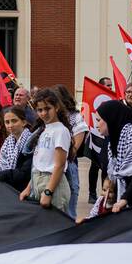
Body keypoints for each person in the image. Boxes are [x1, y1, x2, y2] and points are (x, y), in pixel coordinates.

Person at [19, 88, 71, 213]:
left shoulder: (61, 131)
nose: (43, 113)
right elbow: (39, 163)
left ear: (56, 107)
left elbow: (59, 165)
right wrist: (29, 187)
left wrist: (48, 191)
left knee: (57, 227)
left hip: (53, 184)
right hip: (37, 180)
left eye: (47, 109)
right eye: (40, 110)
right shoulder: (43, 130)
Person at [57, 85, 88, 218]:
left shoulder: (75, 118)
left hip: (68, 165)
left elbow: (74, 150)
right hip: (50, 166)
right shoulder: (51, 117)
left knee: (70, 197)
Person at [0, 105, 35, 188]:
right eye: (7, 122)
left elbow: (26, 172)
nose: (10, 125)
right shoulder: (7, 143)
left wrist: (3, 175)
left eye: (14, 121)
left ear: (24, 122)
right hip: (12, 185)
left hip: (28, 187)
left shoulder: (31, 142)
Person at [86, 76, 113, 200]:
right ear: (101, 86)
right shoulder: (94, 100)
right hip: (95, 136)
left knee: (106, 166)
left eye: (111, 85)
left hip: (107, 137)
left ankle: (105, 192)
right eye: (108, 85)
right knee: (95, 165)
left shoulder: (113, 100)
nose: (110, 88)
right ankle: (92, 194)